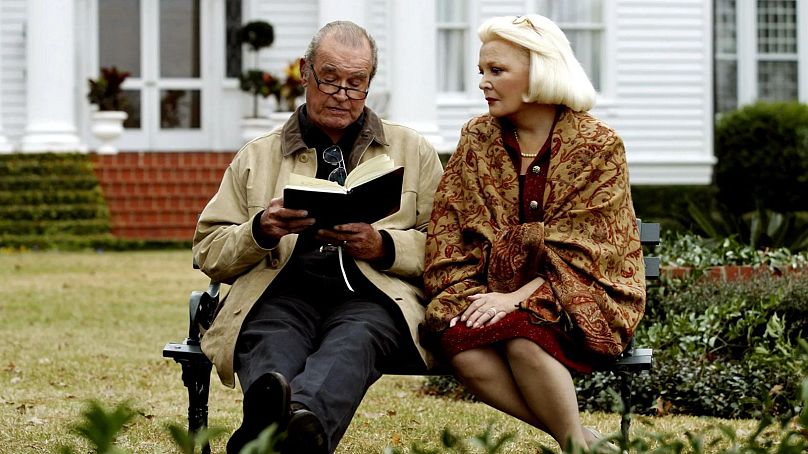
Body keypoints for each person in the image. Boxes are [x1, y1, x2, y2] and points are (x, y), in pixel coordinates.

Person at [193, 21, 444, 454]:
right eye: (329, 78)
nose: (341, 94)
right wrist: (260, 231)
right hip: (280, 290)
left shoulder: (412, 151)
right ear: (306, 72)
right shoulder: (258, 155)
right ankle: (296, 432)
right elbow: (208, 251)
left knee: (357, 339)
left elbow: (447, 249)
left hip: (373, 296)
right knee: (270, 338)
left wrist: (383, 246)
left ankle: (272, 432)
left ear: (369, 84)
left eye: (356, 83)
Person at [423, 14, 646, 451]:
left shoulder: (598, 145)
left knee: (525, 340)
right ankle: (582, 441)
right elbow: (451, 226)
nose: (483, 83)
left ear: (540, 73)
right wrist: (478, 293)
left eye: (497, 71)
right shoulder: (477, 137)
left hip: (583, 296)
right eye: (481, 72)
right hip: (489, 290)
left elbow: (593, 251)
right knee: (463, 347)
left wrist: (514, 298)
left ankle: (575, 448)